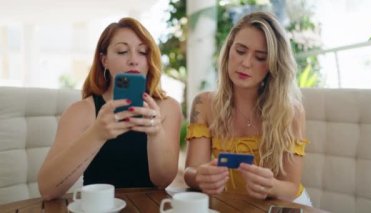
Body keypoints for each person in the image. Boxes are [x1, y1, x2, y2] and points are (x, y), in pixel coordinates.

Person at [38, 17, 182, 200]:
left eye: (143, 52)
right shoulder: (80, 111)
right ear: (104, 60)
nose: (133, 60)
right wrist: (97, 133)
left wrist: (156, 134)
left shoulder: (168, 108)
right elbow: (48, 189)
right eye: (122, 51)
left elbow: (163, 182)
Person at [184, 11, 312, 206]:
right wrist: (200, 176)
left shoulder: (291, 112)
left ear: (273, 65)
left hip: (280, 206)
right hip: (228, 205)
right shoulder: (204, 104)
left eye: (260, 57)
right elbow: (191, 172)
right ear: (228, 51)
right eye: (240, 51)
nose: (245, 63)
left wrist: (271, 185)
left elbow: (291, 188)